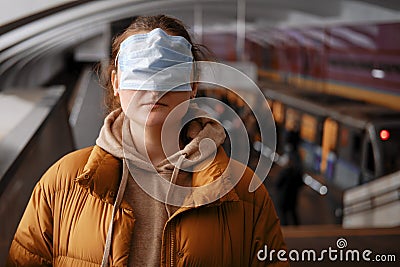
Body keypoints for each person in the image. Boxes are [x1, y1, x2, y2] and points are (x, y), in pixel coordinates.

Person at [7, 15, 288, 266]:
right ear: (116, 83)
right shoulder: (62, 183)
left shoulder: (243, 193)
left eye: (169, 74)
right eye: (140, 74)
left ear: (192, 85)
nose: (154, 89)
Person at [276, 145, 304, 226]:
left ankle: (286, 226)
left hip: (284, 196)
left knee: (284, 213)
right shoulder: (296, 173)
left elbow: (278, 184)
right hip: (293, 196)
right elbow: (300, 183)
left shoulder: (284, 172)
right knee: (292, 212)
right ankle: (297, 226)